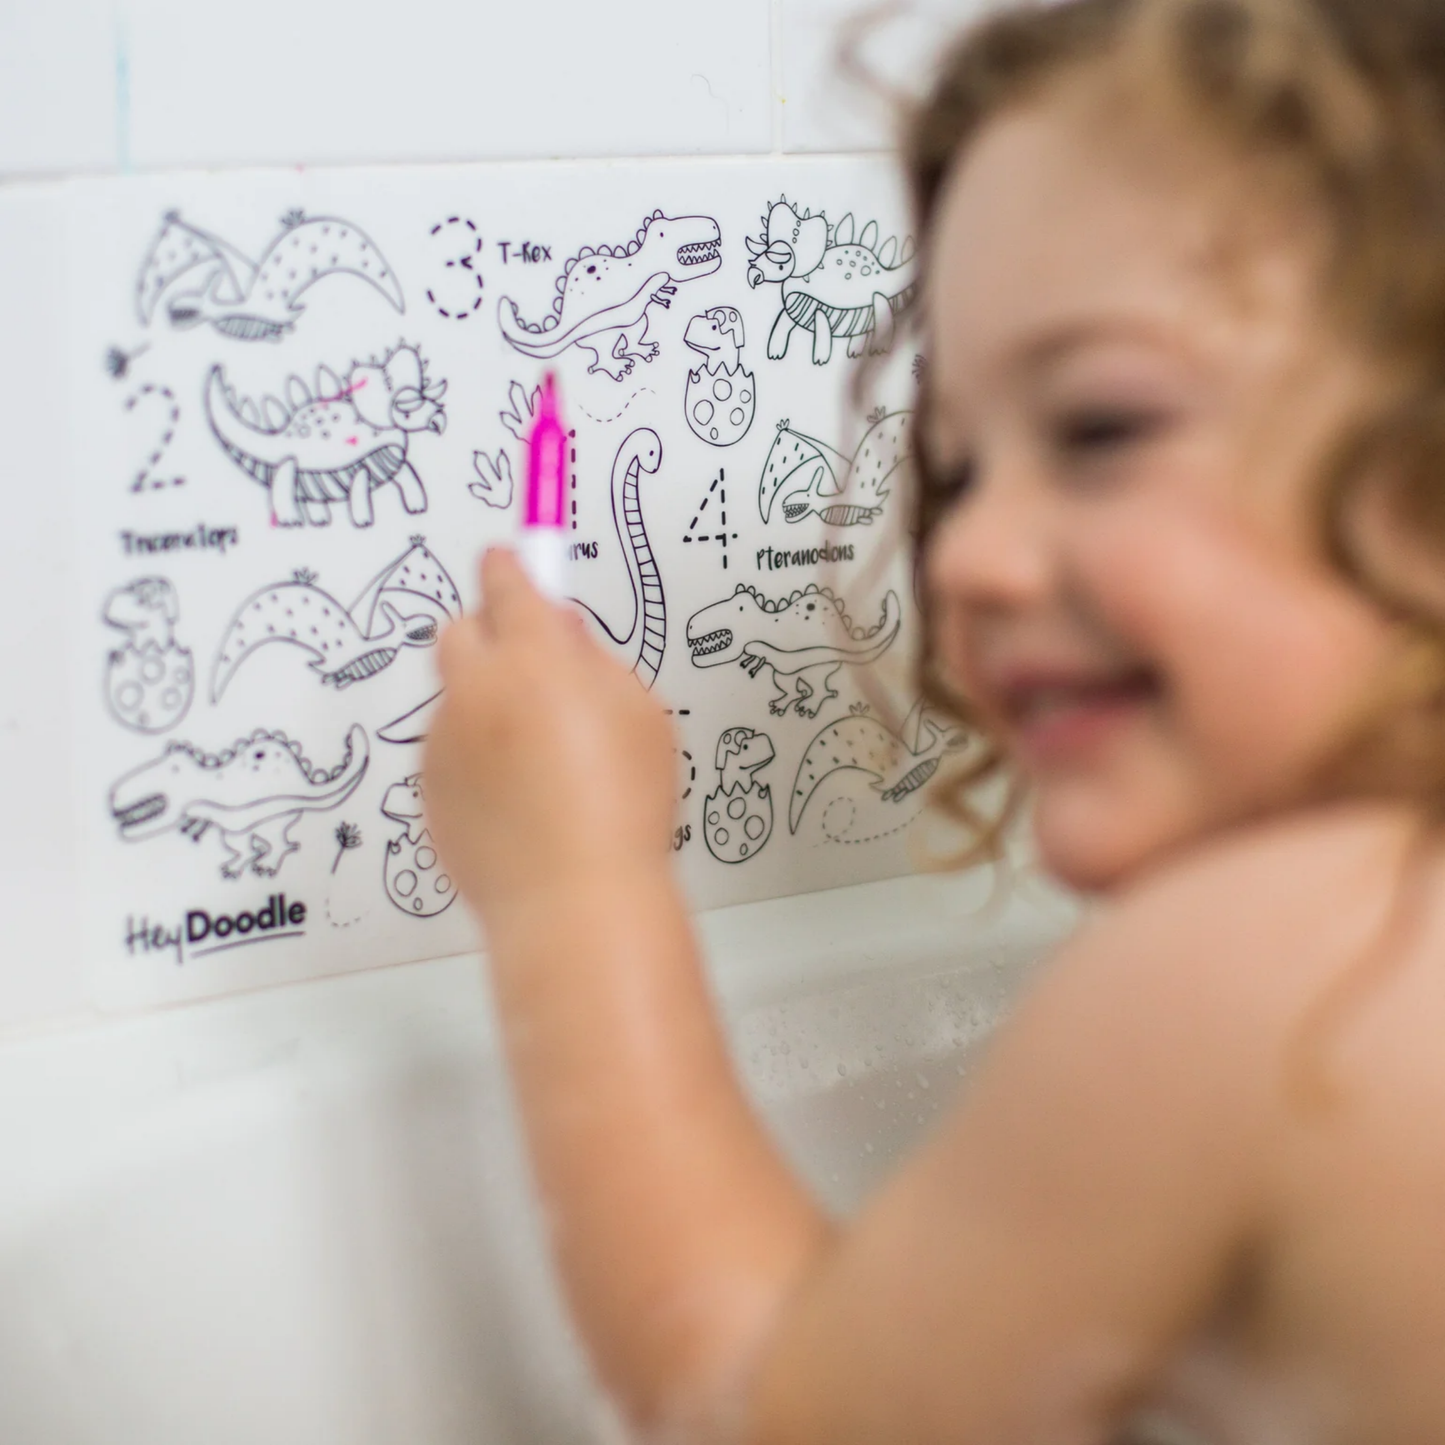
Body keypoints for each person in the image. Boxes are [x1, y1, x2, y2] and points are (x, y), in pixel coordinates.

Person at [424, 0, 1445, 1437]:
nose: (963, 553)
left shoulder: (1282, 967)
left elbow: (767, 1411)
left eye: (1100, 428)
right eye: (957, 469)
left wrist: (570, 887)